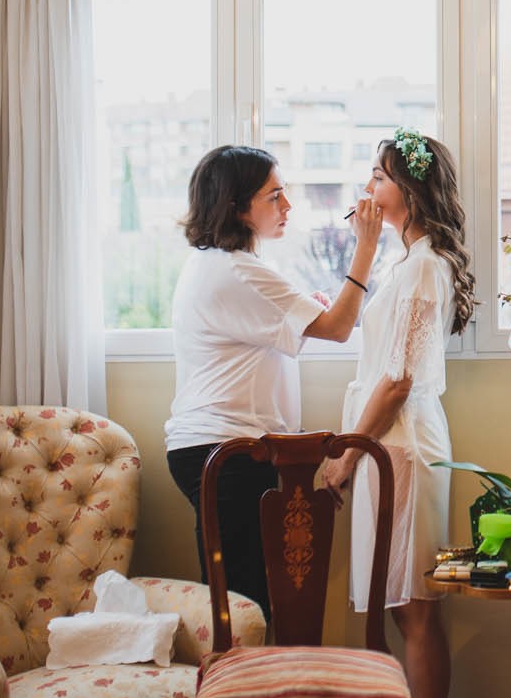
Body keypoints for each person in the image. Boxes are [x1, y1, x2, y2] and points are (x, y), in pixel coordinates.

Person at [164, 144, 382, 617]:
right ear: (237, 206)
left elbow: (273, 328)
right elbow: (341, 328)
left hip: (217, 449)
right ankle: (240, 688)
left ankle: (244, 684)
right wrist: (365, 248)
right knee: (243, 604)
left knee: (240, 597)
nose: (288, 207)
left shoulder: (218, 265)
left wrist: (307, 310)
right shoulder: (238, 271)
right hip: (224, 452)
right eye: (275, 196)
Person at [322, 130, 477, 698]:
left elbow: (397, 380)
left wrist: (348, 456)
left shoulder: (422, 267)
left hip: (400, 448)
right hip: (393, 445)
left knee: (414, 609)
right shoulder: (409, 260)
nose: (369, 188)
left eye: (380, 177)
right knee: (400, 607)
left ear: (409, 192)